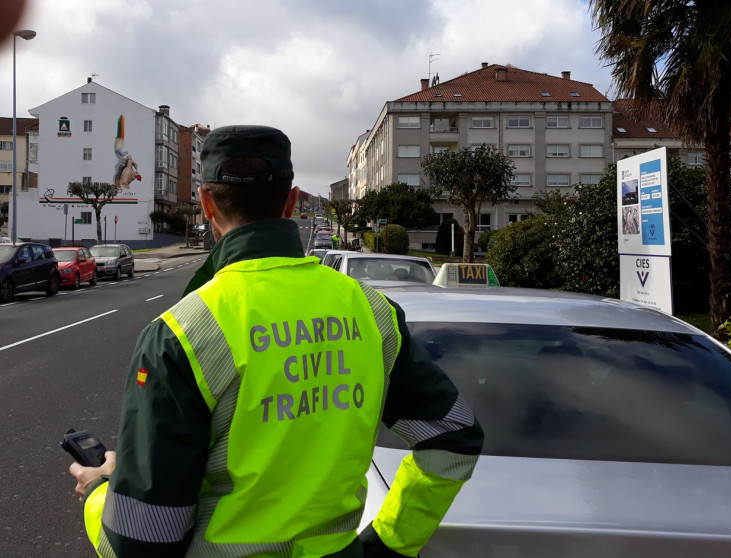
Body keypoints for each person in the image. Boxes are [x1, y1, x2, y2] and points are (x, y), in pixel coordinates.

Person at [68, 125, 483, 558]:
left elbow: (140, 544)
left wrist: (100, 490)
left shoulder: (181, 333)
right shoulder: (371, 310)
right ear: (290, 201)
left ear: (207, 203)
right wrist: (390, 545)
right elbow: (453, 436)